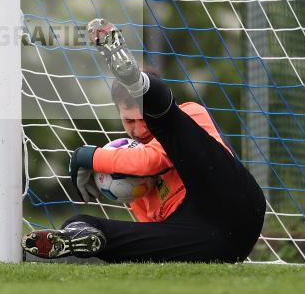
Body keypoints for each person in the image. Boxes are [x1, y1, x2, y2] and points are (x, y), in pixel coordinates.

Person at [22, 18, 266, 263]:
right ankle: (72, 242)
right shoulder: (129, 170)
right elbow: (155, 228)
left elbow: (151, 160)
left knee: (168, 122)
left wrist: (88, 156)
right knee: (83, 223)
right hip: (207, 241)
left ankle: (135, 80)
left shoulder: (191, 114)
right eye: (129, 122)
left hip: (235, 203)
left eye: (143, 119)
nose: (139, 129)